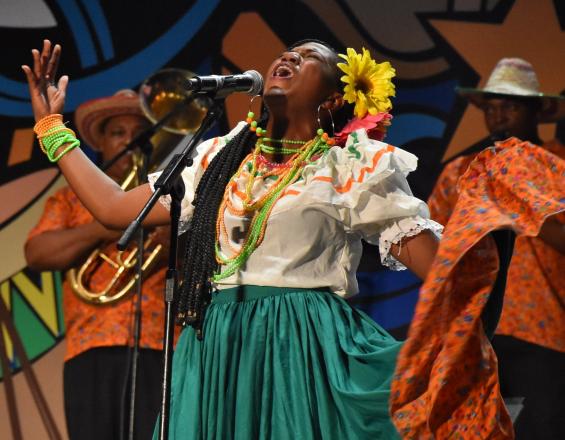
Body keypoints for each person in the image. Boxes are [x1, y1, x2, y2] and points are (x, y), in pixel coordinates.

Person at [427, 58, 565, 439]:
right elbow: (433, 248)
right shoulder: (461, 172)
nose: (499, 116)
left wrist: (523, 210)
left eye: (511, 106)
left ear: (536, 111)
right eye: (492, 108)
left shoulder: (558, 165)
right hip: (473, 332)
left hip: (543, 332)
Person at [24, 88, 172, 440]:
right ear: (102, 143)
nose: (129, 141)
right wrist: (102, 226)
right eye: (118, 133)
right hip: (90, 348)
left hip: (161, 347)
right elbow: (37, 253)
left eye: (139, 133)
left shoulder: (169, 198)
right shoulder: (69, 199)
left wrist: (170, 242)